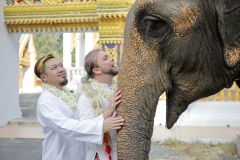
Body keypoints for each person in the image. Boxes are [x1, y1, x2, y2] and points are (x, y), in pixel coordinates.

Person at [34, 53, 124, 160]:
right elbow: (64, 126)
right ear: (44, 77)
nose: (61, 69)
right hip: (60, 156)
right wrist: (101, 126)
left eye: (61, 65)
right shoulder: (46, 100)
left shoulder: (68, 94)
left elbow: (84, 123)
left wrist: (95, 152)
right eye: (54, 68)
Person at [78, 48, 120, 160]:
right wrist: (109, 111)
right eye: (105, 58)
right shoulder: (86, 98)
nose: (112, 59)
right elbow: (85, 130)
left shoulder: (121, 89)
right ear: (97, 70)